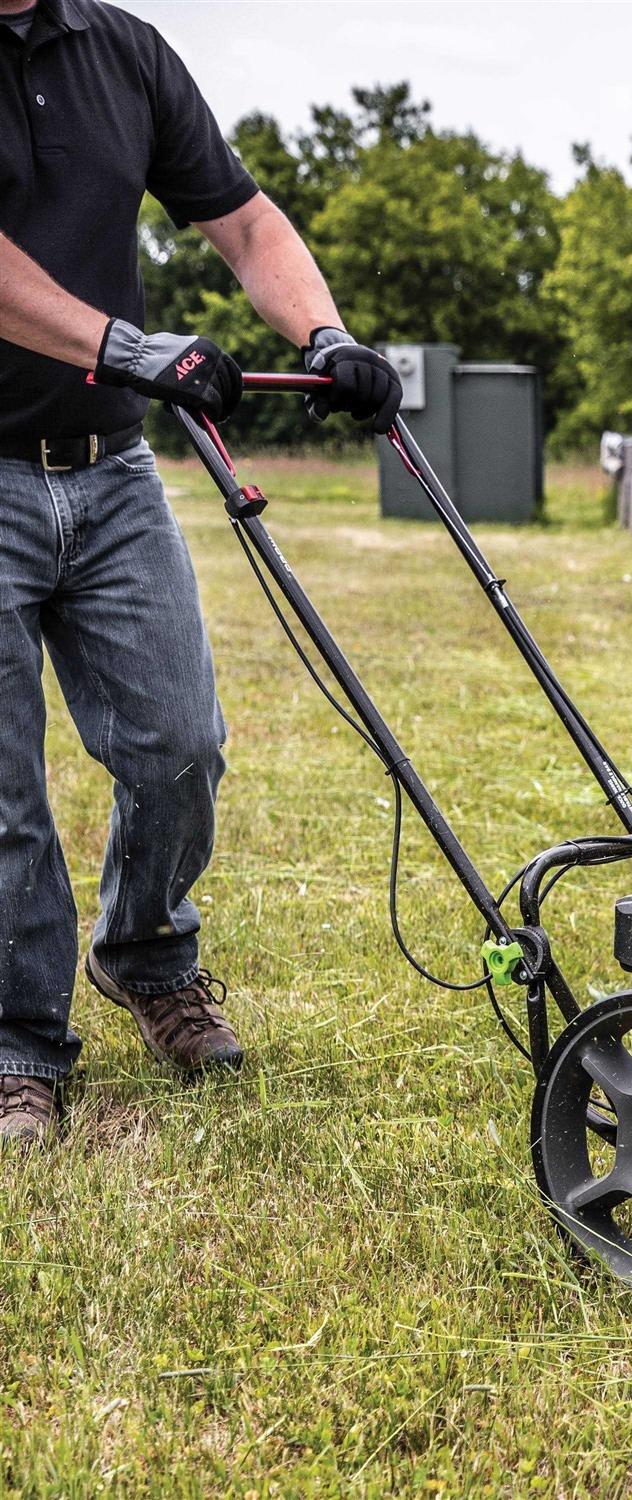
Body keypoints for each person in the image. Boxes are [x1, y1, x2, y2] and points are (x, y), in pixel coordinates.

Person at [0, 0, 403, 1145]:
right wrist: (124, 346)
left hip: (111, 469)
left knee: (180, 743)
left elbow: (243, 221)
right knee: (4, 795)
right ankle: (19, 1048)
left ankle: (142, 952)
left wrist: (326, 340)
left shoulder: (121, 49)